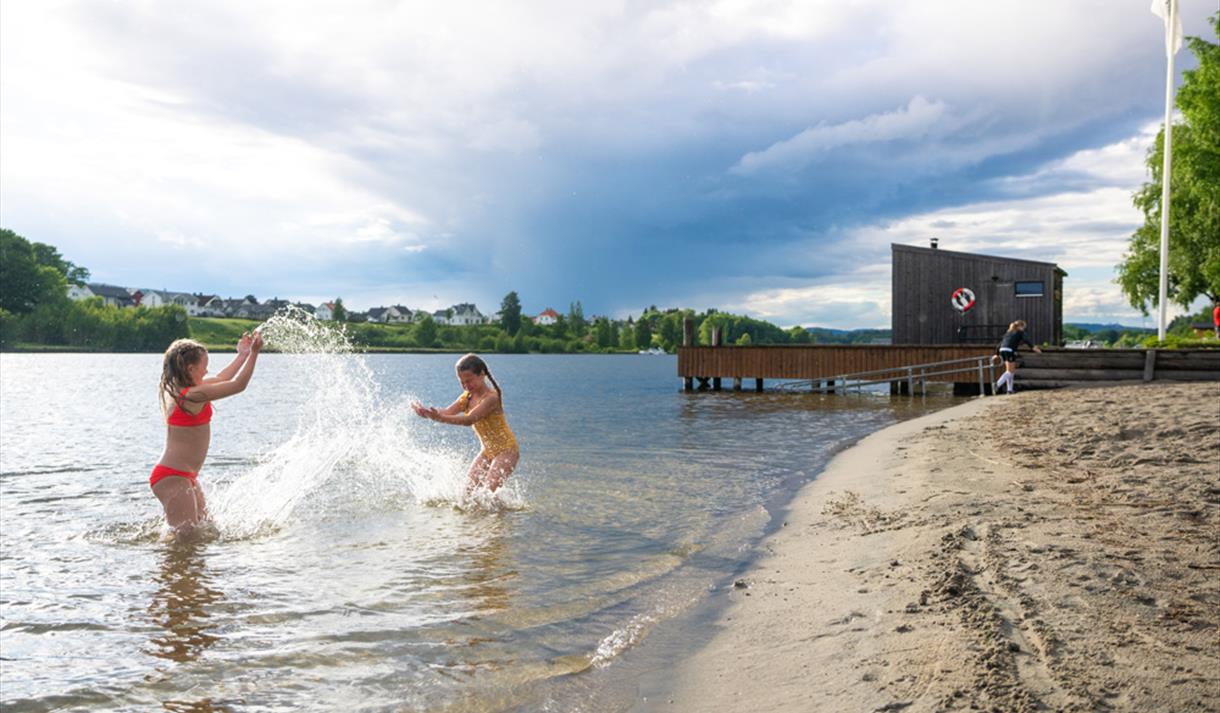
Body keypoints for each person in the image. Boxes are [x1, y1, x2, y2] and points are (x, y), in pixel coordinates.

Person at [151, 333, 263, 537]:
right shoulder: (190, 396)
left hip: (185, 476)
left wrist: (243, 355)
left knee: (204, 529)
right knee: (185, 538)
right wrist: (255, 354)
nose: (207, 371)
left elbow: (222, 378)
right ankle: (167, 568)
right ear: (190, 369)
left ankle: (189, 569)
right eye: (204, 366)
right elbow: (238, 385)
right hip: (172, 476)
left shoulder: (188, 390)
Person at [412, 353, 519, 494]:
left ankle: (502, 513)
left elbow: (469, 420)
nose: (466, 386)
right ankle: (504, 513)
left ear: (482, 374)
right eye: (462, 382)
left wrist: (438, 418)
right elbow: (448, 411)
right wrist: (427, 413)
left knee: (487, 494)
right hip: (487, 451)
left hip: (506, 450)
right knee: (466, 493)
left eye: (469, 381)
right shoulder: (467, 397)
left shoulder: (491, 398)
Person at [991, 320, 1041, 394]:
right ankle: (997, 384)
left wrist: (997, 354)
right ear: (1020, 326)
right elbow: (1027, 340)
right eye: (1023, 327)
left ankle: (1009, 390)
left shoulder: (1008, 332)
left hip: (1002, 350)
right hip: (1009, 350)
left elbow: (1000, 343)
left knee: (1010, 371)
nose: (1024, 329)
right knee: (1010, 371)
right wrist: (1034, 348)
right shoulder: (1020, 332)